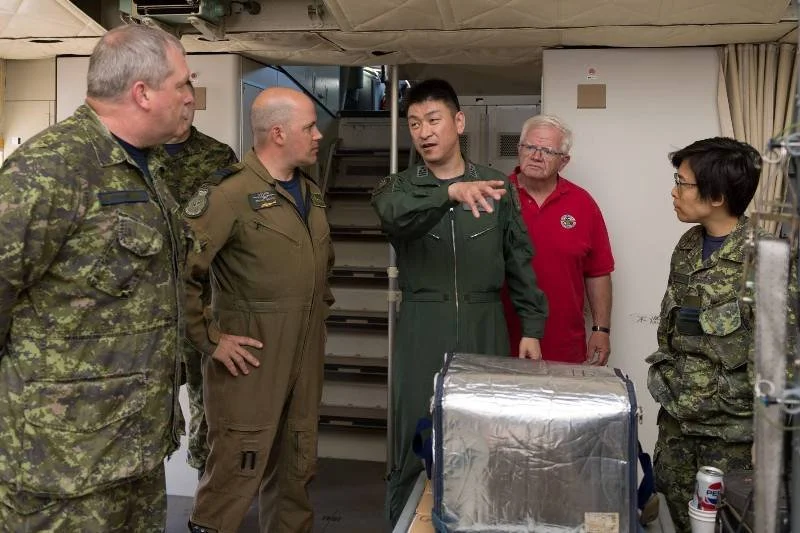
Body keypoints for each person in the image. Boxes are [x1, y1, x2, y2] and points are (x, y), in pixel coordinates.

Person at [0, 25, 193, 531]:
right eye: (182, 84)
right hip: (62, 468)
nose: (190, 97)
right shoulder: (51, 169)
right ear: (143, 93)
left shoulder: (147, 169)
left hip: (136, 451)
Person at [371, 78, 548, 525]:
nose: (424, 132)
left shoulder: (495, 186)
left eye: (433, 120)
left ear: (459, 122)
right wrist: (447, 194)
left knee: (485, 438)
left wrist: (531, 327)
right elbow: (392, 217)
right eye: (414, 123)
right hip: (422, 325)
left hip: (483, 323)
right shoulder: (398, 187)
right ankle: (405, 523)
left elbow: (519, 260)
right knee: (415, 439)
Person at [185, 86, 334, 533]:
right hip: (252, 358)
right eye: (310, 127)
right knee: (235, 471)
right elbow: (178, 271)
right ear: (278, 133)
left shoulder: (311, 193)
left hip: (304, 354)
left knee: (296, 470)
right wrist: (210, 339)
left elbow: (320, 270)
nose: (319, 136)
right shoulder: (228, 194)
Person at [647, 137, 765, 533]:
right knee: (673, 520)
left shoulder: (765, 258)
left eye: (682, 183)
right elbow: (673, 330)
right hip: (678, 426)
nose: (674, 191)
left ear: (716, 196)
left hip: (730, 438)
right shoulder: (688, 245)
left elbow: (779, 358)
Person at [158, 84, 238, 477]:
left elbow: (235, 226)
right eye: (178, 101)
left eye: (190, 102)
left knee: (207, 394)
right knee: (148, 400)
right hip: (150, 302)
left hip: (202, 299)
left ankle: (205, 478)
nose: (185, 109)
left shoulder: (218, 156)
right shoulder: (136, 154)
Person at [502, 115, 614, 364]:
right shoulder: (495, 196)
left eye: (547, 151)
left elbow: (598, 272)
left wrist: (601, 329)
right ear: (519, 149)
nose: (536, 156)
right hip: (502, 342)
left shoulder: (582, 203)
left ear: (564, 161)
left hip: (564, 344)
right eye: (529, 147)